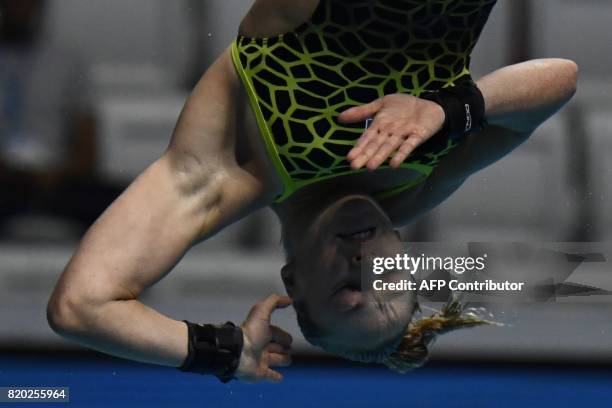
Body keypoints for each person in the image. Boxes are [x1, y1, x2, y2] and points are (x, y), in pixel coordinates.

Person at [47, 0, 578, 383]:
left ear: (293, 283)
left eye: (349, 293)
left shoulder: (225, 174)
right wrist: (447, 108)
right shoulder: (420, 171)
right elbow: (560, 79)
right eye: (388, 281)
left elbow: (79, 308)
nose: (365, 267)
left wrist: (224, 353)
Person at [0, 0, 118, 237]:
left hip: (56, 180)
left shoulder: (65, 61)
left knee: (122, 202)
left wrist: (54, 175)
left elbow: (88, 145)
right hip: (4, 180)